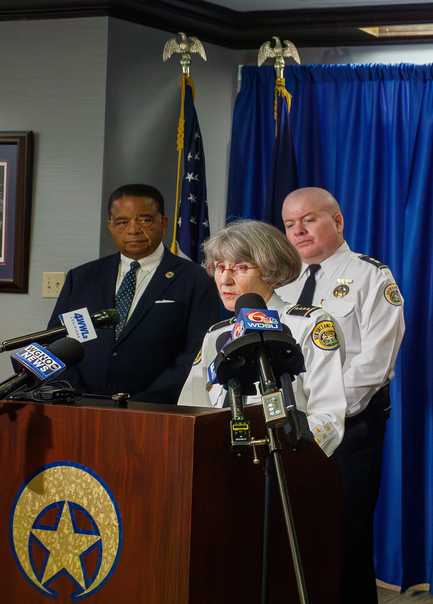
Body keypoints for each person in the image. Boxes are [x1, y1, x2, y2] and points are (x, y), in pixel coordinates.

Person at [276, 187, 405, 604]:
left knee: (345, 542)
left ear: (338, 221)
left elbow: (375, 362)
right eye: (290, 223)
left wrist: (323, 414)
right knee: (297, 540)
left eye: (309, 220)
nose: (298, 230)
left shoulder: (371, 276)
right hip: (290, 429)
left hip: (349, 428)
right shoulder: (281, 283)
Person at [178, 219, 348, 458]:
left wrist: (291, 456)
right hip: (221, 468)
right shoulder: (216, 335)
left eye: (240, 268)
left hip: (287, 466)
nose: (225, 280)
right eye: (219, 267)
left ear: (271, 271)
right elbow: (191, 409)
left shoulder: (309, 324)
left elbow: (328, 417)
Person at [48, 184, 220, 403]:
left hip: (158, 411)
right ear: (110, 226)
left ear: (163, 223)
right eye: (122, 222)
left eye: (145, 220)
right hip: (81, 407)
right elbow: (57, 343)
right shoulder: (81, 278)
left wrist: (144, 402)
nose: (133, 230)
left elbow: (196, 353)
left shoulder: (196, 279)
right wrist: (74, 393)